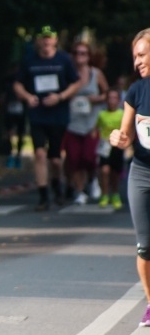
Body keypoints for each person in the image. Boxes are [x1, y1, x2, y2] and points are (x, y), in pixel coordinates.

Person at [13, 25, 81, 211]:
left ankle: (57, 185)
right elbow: (17, 84)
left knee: (56, 159)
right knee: (40, 154)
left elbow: (75, 83)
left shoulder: (64, 60)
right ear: (38, 40)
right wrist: (28, 97)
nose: (46, 41)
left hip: (58, 114)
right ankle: (43, 195)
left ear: (55, 40)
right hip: (37, 115)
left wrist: (60, 97)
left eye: (49, 37)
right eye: (43, 37)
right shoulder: (30, 61)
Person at [109, 28, 150, 327]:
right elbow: (125, 134)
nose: (136, 61)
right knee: (145, 246)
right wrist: (119, 138)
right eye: (134, 57)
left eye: (142, 54)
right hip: (141, 172)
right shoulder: (136, 91)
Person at [62, 41, 108, 205]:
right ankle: (79, 191)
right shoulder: (67, 73)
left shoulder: (96, 74)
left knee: (89, 157)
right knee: (74, 159)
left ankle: (92, 180)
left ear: (89, 56)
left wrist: (96, 99)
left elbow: (107, 94)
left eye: (83, 53)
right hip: (72, 123)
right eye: (75, 53)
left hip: (92, 123)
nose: (79, 56)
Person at [96, 88, 125, 209]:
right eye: (109, 98)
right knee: (104, 170)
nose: (112, 101)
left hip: (117, 147)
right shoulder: (101, 114)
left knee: (115, 172)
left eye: (114, 98)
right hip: (105, 147)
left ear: (118, 100)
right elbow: (96, 129)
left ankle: (115, 193)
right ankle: (104, 194)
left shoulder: (122, 114)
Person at [1, 63, 27, 169]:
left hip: (21, 110)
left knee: (20, 134)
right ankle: (11, 155)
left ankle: (18, 156)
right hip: (10, 110)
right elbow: (3, 96)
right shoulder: (8, 81)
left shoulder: (25, 81)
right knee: (10, 134)